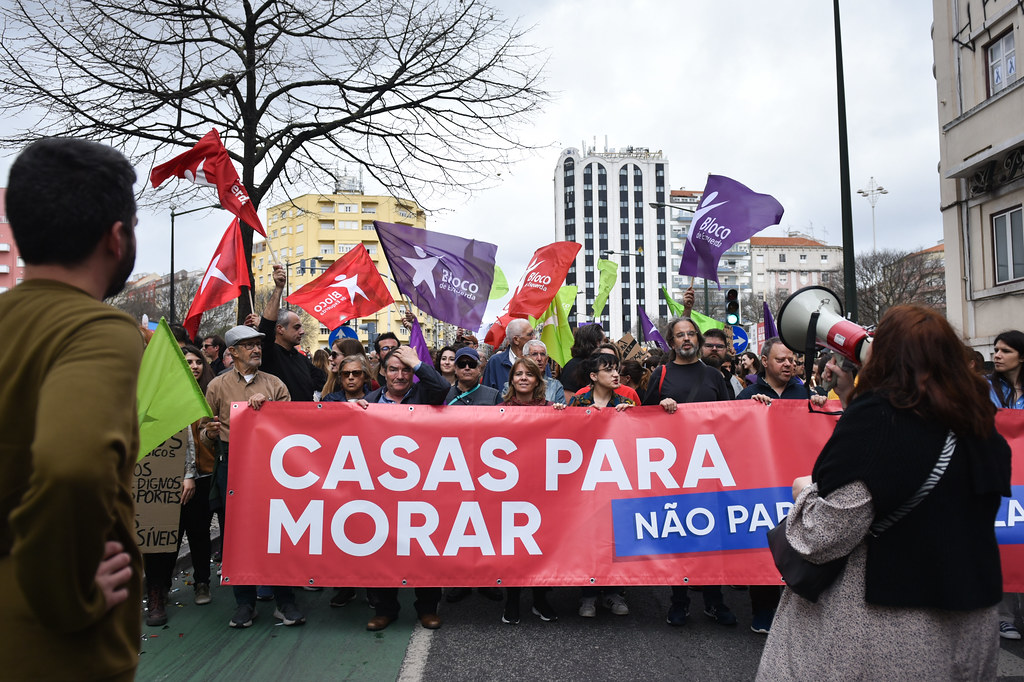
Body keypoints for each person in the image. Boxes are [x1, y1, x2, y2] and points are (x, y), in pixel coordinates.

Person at [756, 306, 1011, 680]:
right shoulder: (979, 422)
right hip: (968, 624)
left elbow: (822, 536)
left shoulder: (880, 419)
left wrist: (807, 493)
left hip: (883, 628)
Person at [0, 137, 143, 680]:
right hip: (49, 646)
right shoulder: (97, 330)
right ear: (116, 237)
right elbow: (73, 466)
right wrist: (66, 596)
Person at [201, 325, 301, 629]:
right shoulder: (216, 387)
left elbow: (293, 429)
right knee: (237, 534)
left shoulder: (275, 385)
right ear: (232, 352)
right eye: (248, 346)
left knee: (278, 529)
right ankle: (245, 604)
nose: (256, 350)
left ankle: (286, 601)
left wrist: (268, 410)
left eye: (258, 345)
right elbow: (205, 432)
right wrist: (210, 432)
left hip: (272, 467)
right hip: (232, 464)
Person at [642, 317, 736, 628]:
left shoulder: (713, 375)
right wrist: (660, 405)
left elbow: (732, 415)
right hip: (673, 470)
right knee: (679, 535)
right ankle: (678, 600)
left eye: (691, 333)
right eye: (680, 335)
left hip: (709, 468)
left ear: (697, 338)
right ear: (671, 343)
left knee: (712, 535)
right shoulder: (662, 373)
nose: (686, 339)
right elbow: (643, 418)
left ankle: (714, 600)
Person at [357, 346, 448, 630]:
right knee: (383, 549)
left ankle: (427, 609)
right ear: (382, 372)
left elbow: (443, 385)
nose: (399, 375)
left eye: (405, 369)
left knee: (425, 547)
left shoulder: (425, 395)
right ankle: (386, 609)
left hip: (423, 487)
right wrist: (353, 414)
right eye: (393, 369)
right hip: (381, 489)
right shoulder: (367, 402)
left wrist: (417, 362)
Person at [142, 344, 217, 626]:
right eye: (187, 362)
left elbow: (206, 440)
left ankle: (201, 582)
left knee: (198, 532)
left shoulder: (209, 394)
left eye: (198, 361)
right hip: (164, 477)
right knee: (161, 539)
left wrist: (210, 434)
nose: (194, 366)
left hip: (202, 475)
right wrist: (184, 472)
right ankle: (156, 592)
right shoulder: (162, 395)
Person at [568, 352, 634, 618]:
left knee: (615, 537)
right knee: (588, 537)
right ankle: (587, 594)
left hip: (617, 482)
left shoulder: (626, 402)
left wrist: (632, 417)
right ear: (594, 376)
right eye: (608, 370)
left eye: (616, 369)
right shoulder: (578, 401)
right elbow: (564, 437)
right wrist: (576, 416)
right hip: (584, 482)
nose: (615, 374)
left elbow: (642, 439)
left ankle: (613, 592)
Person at [500, 356, 564, 624]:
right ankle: (512, 600)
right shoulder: (499, 409)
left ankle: (540, 599)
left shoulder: (551, 409)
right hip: (509, 490)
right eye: (518, 374)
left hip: (542, 488)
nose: (523, 378)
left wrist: (565, 417)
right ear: (512, 379)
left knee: (540, 545)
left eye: (529, 374)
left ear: (539, 380)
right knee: (513, 546)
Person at [988, 330, 1024, 639]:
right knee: (1006, 541)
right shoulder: (984, 389)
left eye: (1005, 351)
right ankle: (1004, 614)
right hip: (1000, 474)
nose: (997, 355)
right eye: (996, 350)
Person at [258, 264, 326, 401]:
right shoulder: (269, 353)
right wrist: (278, 289)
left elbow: (324, 382)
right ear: (280, 329)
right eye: (296, 327)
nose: (302, 332)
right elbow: (266, 325)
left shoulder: (301, 360)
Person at [736, 337, 804, 404]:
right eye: (780, 360)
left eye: (791, 360)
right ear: (765, 361)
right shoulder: (747, 395)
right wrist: (750, 407)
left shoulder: (805, 394)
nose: (788, 364)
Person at [500, 339, 566, 404]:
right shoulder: (510, 386)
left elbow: (562, 414)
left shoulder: (555, 386)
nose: (539, 359)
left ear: (546, 360)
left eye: (542, 354)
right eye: (534, 354)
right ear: (524, 358)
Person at [482, 318, 537, 391]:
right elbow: (487, 396)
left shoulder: (539, 359)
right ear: (516, 340)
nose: (534, 337)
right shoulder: (495, 362)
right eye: (530, 334)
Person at [560, 323, 605, 393]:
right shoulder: (572, 367)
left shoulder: (598, 364)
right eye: (603, 341)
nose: (605, 345)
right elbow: (569, 399)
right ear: (595, 342)